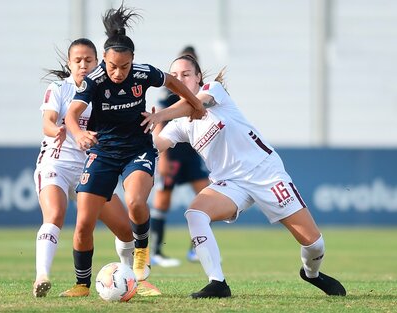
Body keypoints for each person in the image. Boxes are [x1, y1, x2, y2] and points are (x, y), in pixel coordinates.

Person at [141, 55, 347, 298]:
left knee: (314, 244)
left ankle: (311, 273)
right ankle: (217, 283)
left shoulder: (213, 91)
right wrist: (145, 125)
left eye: (186, 74)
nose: (180, 79)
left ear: (198, 77)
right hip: (230, 184)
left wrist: (160, 115)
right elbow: (155, 146)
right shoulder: (178, 125)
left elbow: (196, 105)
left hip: (265, 172)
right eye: (174, 76)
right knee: (195, 213)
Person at [59, 4, 205, 298]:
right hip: (103, 152)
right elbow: (72, 114)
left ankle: (141, 254)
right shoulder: (95, 80)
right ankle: (82, 284)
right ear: (104, 60)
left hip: (138, 150)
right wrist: (78, 134)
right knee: (84, 222)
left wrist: (195, 103)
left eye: (123, 67)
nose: (117, 72)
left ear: (133, 61)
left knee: (137, 202)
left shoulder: (142, 74)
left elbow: (173, 81)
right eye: (112, 66)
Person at [33, 38, 135, 297]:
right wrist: (57, 130)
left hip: (91, 167)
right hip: (56, 162)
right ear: (69, 63)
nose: (83, 65)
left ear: (97, 61)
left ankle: (127, 279)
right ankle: (42, 275)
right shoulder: (58, 88)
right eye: (77, 60)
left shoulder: (106, 90)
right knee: (55, 214)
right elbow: (48, 121)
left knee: (125, 229)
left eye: (88, 60)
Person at [150, 46, 210, 267]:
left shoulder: (207, 92)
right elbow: (160, 121)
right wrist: (162, 157)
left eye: (188, 71)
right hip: (172, 153)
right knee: (162, 199)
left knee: (207, 196)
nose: (182, 77)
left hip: (193, 154)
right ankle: (156, 251)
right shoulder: (169, 94)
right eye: (178, 73)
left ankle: (196, 249)